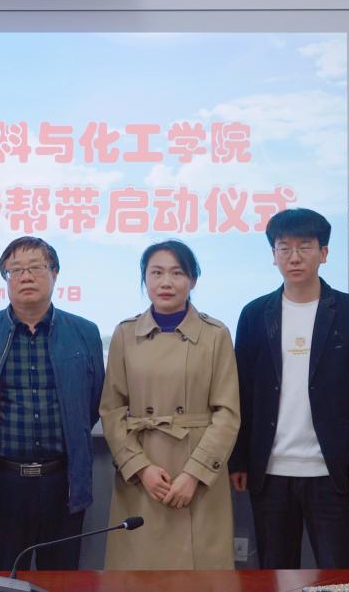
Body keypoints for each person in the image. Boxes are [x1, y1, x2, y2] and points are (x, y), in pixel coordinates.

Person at [229, 208, 349, 569]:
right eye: (284, 248)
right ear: (273, 255)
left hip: (334, 472)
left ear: (324, 253)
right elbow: (242, 392)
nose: (294, 257)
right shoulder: (254, 314)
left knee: (338, 573)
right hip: (271, 471)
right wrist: (239, 459)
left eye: (305, 247)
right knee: (275, 572)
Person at [0, 236, 104, 571]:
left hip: (63, 482)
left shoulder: (85, 332)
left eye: (35, 267)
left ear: (54, 273)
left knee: (61, 578)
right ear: (6, 279)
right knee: (3, 576)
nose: (25, 276)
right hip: (2, 483)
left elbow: (92, 400)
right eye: (15, 270)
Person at [100, 240, 240, 569]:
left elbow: (227, 413)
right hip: (141, 478)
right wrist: (140, 468)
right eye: (157, 273)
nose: (166, 282)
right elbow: (112, 410)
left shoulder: (215, 334)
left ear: (193, 280)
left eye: (177, 273)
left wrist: (194, 474)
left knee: (200, 578)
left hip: (198, 478)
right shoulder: (125, 334)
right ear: (144, 279)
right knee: (138, 575)